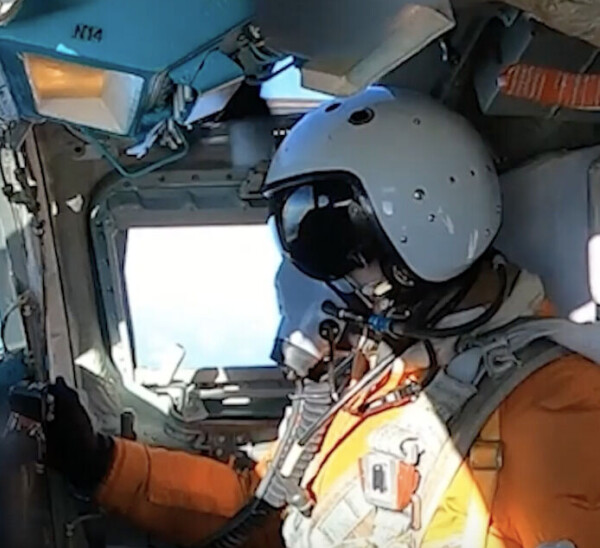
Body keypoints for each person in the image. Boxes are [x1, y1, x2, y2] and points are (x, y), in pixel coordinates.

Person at [37, 87, 600, 547]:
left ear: (423, 221)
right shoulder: (389, 375)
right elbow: (270, 507)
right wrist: (103, 466)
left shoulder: (559, 410)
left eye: (330, 243)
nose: (322, 282)